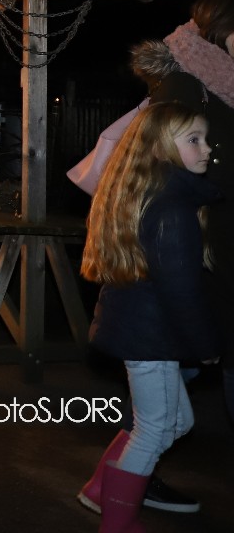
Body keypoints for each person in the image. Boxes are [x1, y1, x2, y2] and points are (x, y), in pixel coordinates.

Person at [75, 102, 221, 532]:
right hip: (151, 338)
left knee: (175, 422)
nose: (207, 148)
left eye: (205, 139)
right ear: (159, 148)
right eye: (193, 139)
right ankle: (117, 523)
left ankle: (101, 489)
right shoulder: (173, 210)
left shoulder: (151, 194)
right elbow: (182, 293)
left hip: (141, 330)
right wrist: (206, 347)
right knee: (155, 429)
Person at [131, 0, 234, 428]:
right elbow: (158, 178)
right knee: (162, 401)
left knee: (169, 403)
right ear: (221, 25)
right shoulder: (184, 85)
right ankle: (132, 458)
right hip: (202, 257)